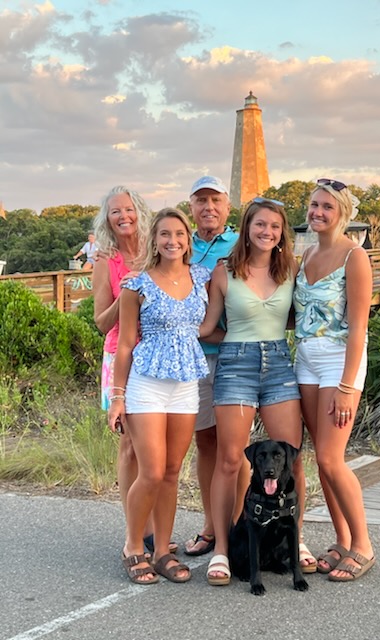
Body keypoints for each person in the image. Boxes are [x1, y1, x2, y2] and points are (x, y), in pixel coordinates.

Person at [199, 197, 316, 586]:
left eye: (275, 226)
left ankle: (294, 541)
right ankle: (221, 550)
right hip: (236, 365)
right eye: (260, 224)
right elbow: (208, 327)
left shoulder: (290, 269)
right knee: (230, 460)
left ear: (282, 233)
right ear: (247, 228)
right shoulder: (224, 272)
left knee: (291, 458)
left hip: (279, 365)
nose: (267, 232)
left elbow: (302, 316)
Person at [108, 208, 211, 584]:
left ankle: (163, 551)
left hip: (185, 386)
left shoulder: (202, 276)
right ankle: (134, 546)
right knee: (150, 471)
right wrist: (118, 397)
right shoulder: (137, 285)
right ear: (154, 239)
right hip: (146, 384)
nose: (173, 241)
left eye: (179, 234)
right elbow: (124, 345)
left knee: (170, 472)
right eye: (165, 234)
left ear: (188, 239)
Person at [293, 178, 375, 582]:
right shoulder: (306, 254)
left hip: (338, 361)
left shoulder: (354, 257)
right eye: (314, 205)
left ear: (342, 213)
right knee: (320, 459)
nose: (318, 212)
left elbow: (359, 326)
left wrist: (345, 386)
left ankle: (363, 545)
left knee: (331, 457)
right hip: (305, 360)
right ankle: (342, 540)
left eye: (327, 206)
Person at [92, 186, 175, 555]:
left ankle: (155, 529)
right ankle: (137, 531)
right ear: (107, 219)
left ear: (139, 211)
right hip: (120, 356)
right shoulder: (105, 261)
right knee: (129, 445)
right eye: (115, 212)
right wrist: (127, 293)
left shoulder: (155, 250)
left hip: (156, 355)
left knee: (156, 451)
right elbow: (101, 322)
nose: (123, 216)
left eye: (128, 209)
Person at [184, 176, 251, 557]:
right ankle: (212, 526)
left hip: (233, 355)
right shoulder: (180, 242)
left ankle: (239, 524)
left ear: (227, 207)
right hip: (194, 357)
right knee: (205, 441)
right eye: (201, 200)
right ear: (191, 207)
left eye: (215, 200)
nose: (208, 207)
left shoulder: (241, 243)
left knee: (235, 446)